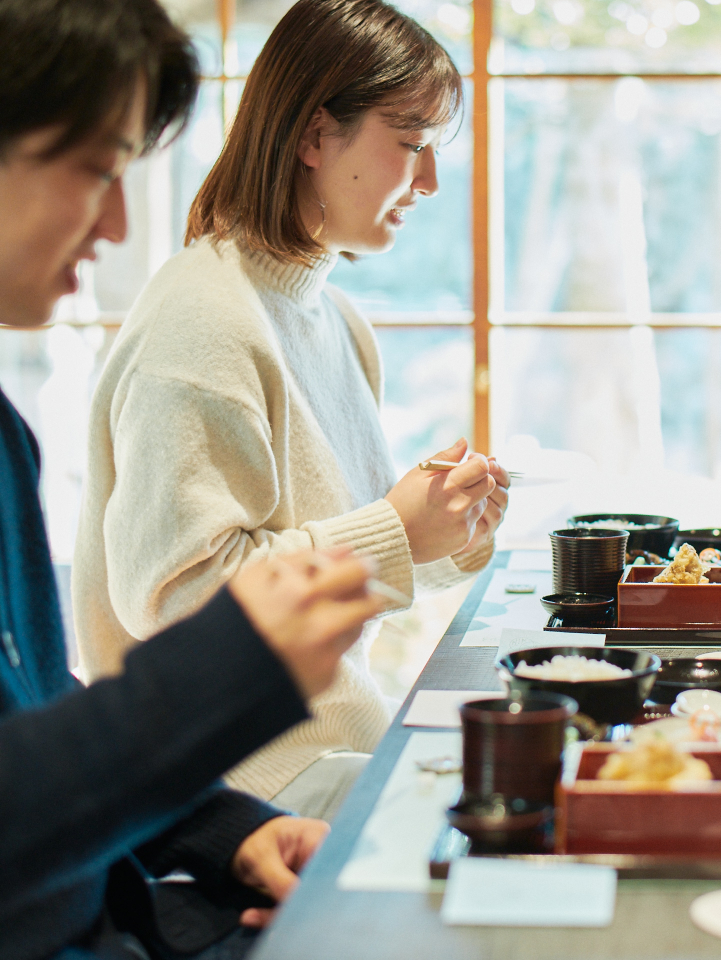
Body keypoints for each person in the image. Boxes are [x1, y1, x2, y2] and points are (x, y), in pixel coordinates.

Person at [0, 0, 390, 957]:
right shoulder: (202, 317)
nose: (120, 221)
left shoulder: (4, 438)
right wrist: (236, 667)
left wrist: (231, 831)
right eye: (96, 168)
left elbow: (44, 717)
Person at [72, 0, 509, 820]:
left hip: (325, 746)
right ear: (313, 138)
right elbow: (177, 598)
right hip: (236, 789)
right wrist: (395, 531)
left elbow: (355, 550)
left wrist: (448, 529)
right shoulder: (202, 317)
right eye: (412, 146)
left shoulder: (333, 317)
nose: (430, 183)